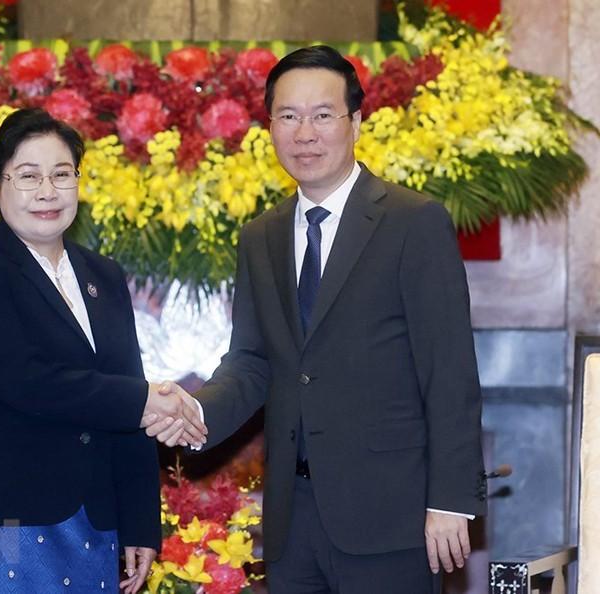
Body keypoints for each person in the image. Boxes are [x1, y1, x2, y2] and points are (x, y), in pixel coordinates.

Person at [146, 46, 487, 593]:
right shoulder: (262, 235)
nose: (304, 132)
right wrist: (195, 411)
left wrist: (449, 499)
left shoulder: (413, 222)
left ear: (355, 122)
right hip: (292, 520)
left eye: (322, 115)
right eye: (288, 116)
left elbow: (448, 371)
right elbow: (253, 362)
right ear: (270, 126)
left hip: (391, 517)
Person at [0, 108, 206, 593]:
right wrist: (143, 400)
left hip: (91, 520)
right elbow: (25, 381)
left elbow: (127, 392)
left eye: (61, 175)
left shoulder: (105, 277)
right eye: (28, 176)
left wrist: (141, 522)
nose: (47, 191)